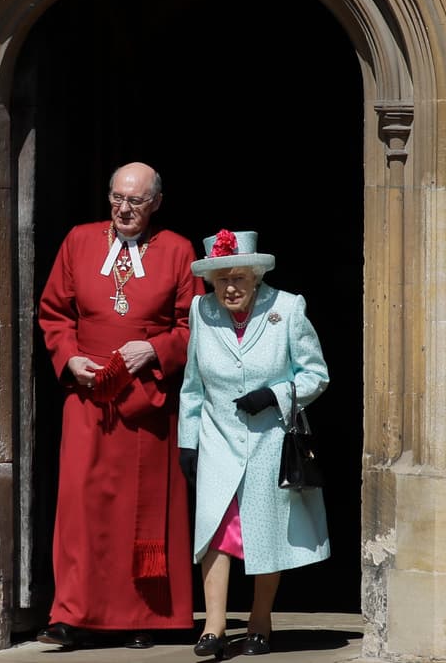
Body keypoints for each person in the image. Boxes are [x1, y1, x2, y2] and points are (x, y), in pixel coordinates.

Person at [36, 162, 204, 649]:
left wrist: (155, 349)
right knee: (81, 510)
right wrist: (69, 360)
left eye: (136, 201)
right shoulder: (79, 240)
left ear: (156, 203)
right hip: (89, 399)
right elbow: (54, 312)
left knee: (142, 512)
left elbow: (194, 327)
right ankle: (73, 615)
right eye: (117, 198)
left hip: (147, 402)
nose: (124, 209)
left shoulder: (177, 250)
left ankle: (146, 618)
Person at [178, 229, 331, 657]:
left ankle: (261, 622)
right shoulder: (200, 311)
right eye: (222, 278)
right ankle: (214, 627)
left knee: (263, 533)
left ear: (256, 278)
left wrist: (276, 394)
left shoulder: (288, 308)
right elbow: (192, 386)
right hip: (217, 438)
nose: (230, 287)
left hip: (270, 441)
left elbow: (316, 374)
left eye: (239, 278)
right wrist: (186, 441)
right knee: (215, 529)